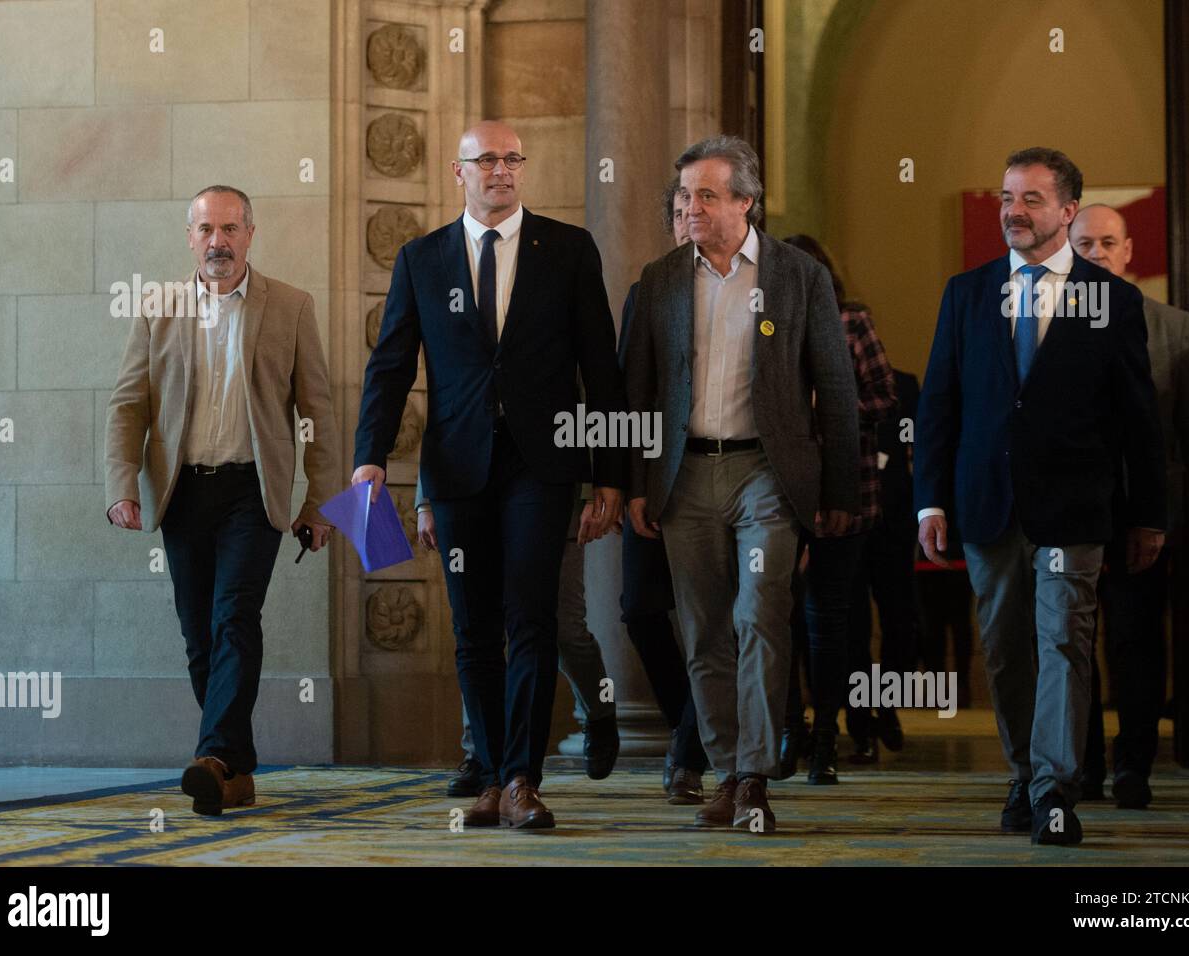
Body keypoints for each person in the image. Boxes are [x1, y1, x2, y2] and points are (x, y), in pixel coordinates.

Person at [352, 121, 626, 830]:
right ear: (459, 171)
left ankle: (521, 781)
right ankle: (493, 776)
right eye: (487, 160)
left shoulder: (566, 250)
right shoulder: (422, 259)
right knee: (472, 630)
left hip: (544, 466)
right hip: (459, 467)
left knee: (530, 618)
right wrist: (369, 458)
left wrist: (611, 476)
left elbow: (602, 367)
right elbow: (390, 369)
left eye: (512, 159)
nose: (501, 170)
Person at [914, 148, 1166, 846]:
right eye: (1005, 197)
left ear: (1066, 210)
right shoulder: (967, 292)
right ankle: (1025, 773)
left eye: (1029, 199)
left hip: (1075, 509)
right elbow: (939, 404)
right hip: (988, 505)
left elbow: (1137, 418)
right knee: (1006, 652)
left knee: (1063, 641)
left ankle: (1057, 790)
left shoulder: (1113, 299)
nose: (1012, 212)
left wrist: (1148, 513)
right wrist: (928, 501)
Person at [626, 135, 860, 832]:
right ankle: (726, 770)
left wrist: (840, 492)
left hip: (768, 474)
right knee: (702, 631)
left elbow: (836, 387)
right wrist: (634, 481)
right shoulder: (661, 278)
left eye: (706, 194)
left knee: (759, 612)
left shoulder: (797, 277)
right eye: (683, 196)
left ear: (746, 202)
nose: (690, 207)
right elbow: (637, 390)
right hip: (684, 475)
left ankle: (756, 773)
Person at [105, 185, 340, 816]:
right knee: (198, 634)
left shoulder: (290, 306)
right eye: (206, 229)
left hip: (253, 492)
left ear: (250, 234)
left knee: (235, 616)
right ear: (190, 237)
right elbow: (128, 405)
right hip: (181, 491)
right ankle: (234, 768)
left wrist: (322, 504)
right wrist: (121, 486)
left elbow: (317, 410)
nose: (219, 241)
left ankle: (210, 754)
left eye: (231, 228)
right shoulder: (158, 307)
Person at [1070, 203, 1189, 809]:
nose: (1097, 254)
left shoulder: (1171, 325)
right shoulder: (1046, 317)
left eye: (1108, 242)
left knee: (1137, 641)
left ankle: (1133, 765)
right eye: (1084, 243)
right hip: (1072, 507)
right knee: (1070, 640)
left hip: (1146, 510)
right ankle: (1082, 767)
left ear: (1129, 250)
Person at [776, 235, 897, 783]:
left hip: (848, 488)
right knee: (773, 617)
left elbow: (884, 395)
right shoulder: (767, 319)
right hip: (780, 489)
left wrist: (833, 404)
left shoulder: (851, 321)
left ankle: (829, 735)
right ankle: (788, 729)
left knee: (831, 620)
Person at [416, 478, 620, 795]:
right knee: (481, 632)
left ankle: (599, 712)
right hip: (475, 493)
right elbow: (441, 430)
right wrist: (426, 501)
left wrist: (593, 492)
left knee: (563, 631)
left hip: (555, 495)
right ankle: (479, 754)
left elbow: (592, 428)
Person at [619, 180, 710, 804]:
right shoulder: (648, 289)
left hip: (726, 472)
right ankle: (689, 723)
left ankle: (691, 753)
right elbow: (630, 393)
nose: (685, 222)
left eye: (694, 210)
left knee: (717, 622)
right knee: (640, 608)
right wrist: (628, 484)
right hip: (656, 478)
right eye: (676, 213)